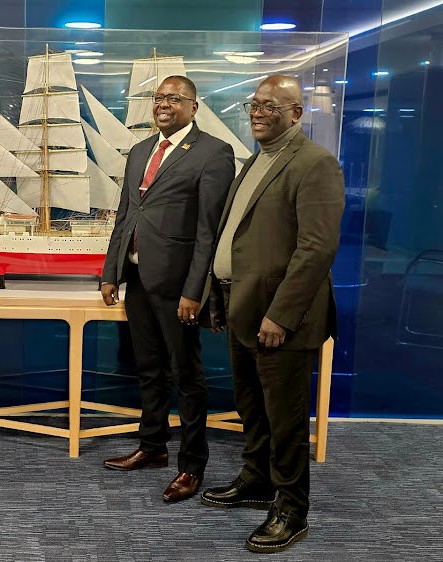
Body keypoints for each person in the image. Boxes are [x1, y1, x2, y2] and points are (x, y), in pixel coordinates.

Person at [200, 75, 345, 553]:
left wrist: (281, 316)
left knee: (284, 419)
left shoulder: (315, 164)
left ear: (297, 113)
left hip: (280, 322)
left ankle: (291, 508)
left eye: (271, 106)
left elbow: (316, 249)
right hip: (243, 310)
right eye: (254, 103)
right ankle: (258, 479)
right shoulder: (256, 161)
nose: (258, 112)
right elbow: (237, 239)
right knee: (252, 408)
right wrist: (218, 299)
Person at [100, 76, 235, 502]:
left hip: (180, 288)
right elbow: (124, 215)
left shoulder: (214, 152)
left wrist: (195, 290)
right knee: (148, 370)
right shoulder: (141, 151)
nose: (164, 105)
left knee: (187, 377)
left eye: (174, 99)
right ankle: (153, 448)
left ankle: (191, 467)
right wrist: (109, 273)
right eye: (159, 98)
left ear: (194, 106)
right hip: (138, 281)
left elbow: (208, 232)